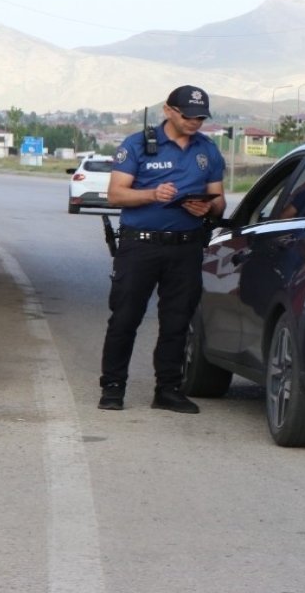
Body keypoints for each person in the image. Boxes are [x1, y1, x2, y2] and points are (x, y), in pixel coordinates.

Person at [98, 85, 226, 413]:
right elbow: (116, 195)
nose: (195, 122)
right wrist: (152, 194)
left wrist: (208, 209)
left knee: (177, 321)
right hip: (140, 245)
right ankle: (113, 387)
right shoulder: (138, 144)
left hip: (185, 248)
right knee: (125, 317)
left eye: (200, 117)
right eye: (188, 116)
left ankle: (168, 389)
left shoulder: (207, 150)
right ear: (168, 110)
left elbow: (219, 199)